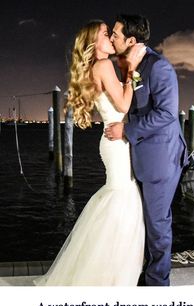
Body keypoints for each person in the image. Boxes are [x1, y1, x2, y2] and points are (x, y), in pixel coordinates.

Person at [33, 20, 146, 286]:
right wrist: (132, 70)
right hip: (116, 143)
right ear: (94, 43)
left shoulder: (98, 67)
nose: (111, 37)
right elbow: (124, 103)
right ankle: (111, 276)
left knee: (122, 200)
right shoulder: (104, 65)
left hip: (113, 139)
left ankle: (109, 272)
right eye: (106, 34)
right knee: (124, 202)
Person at [105, 14, 188, 286]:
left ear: (131, 40)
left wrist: (126, 130)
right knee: (143, 222)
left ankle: (157, 285)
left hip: (161, 159)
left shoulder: (158, 66)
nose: (111, 38)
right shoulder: (129, 64)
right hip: (143, 157)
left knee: (157, 225)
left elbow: (166, 113)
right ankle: (144, 273)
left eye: (115, 34)